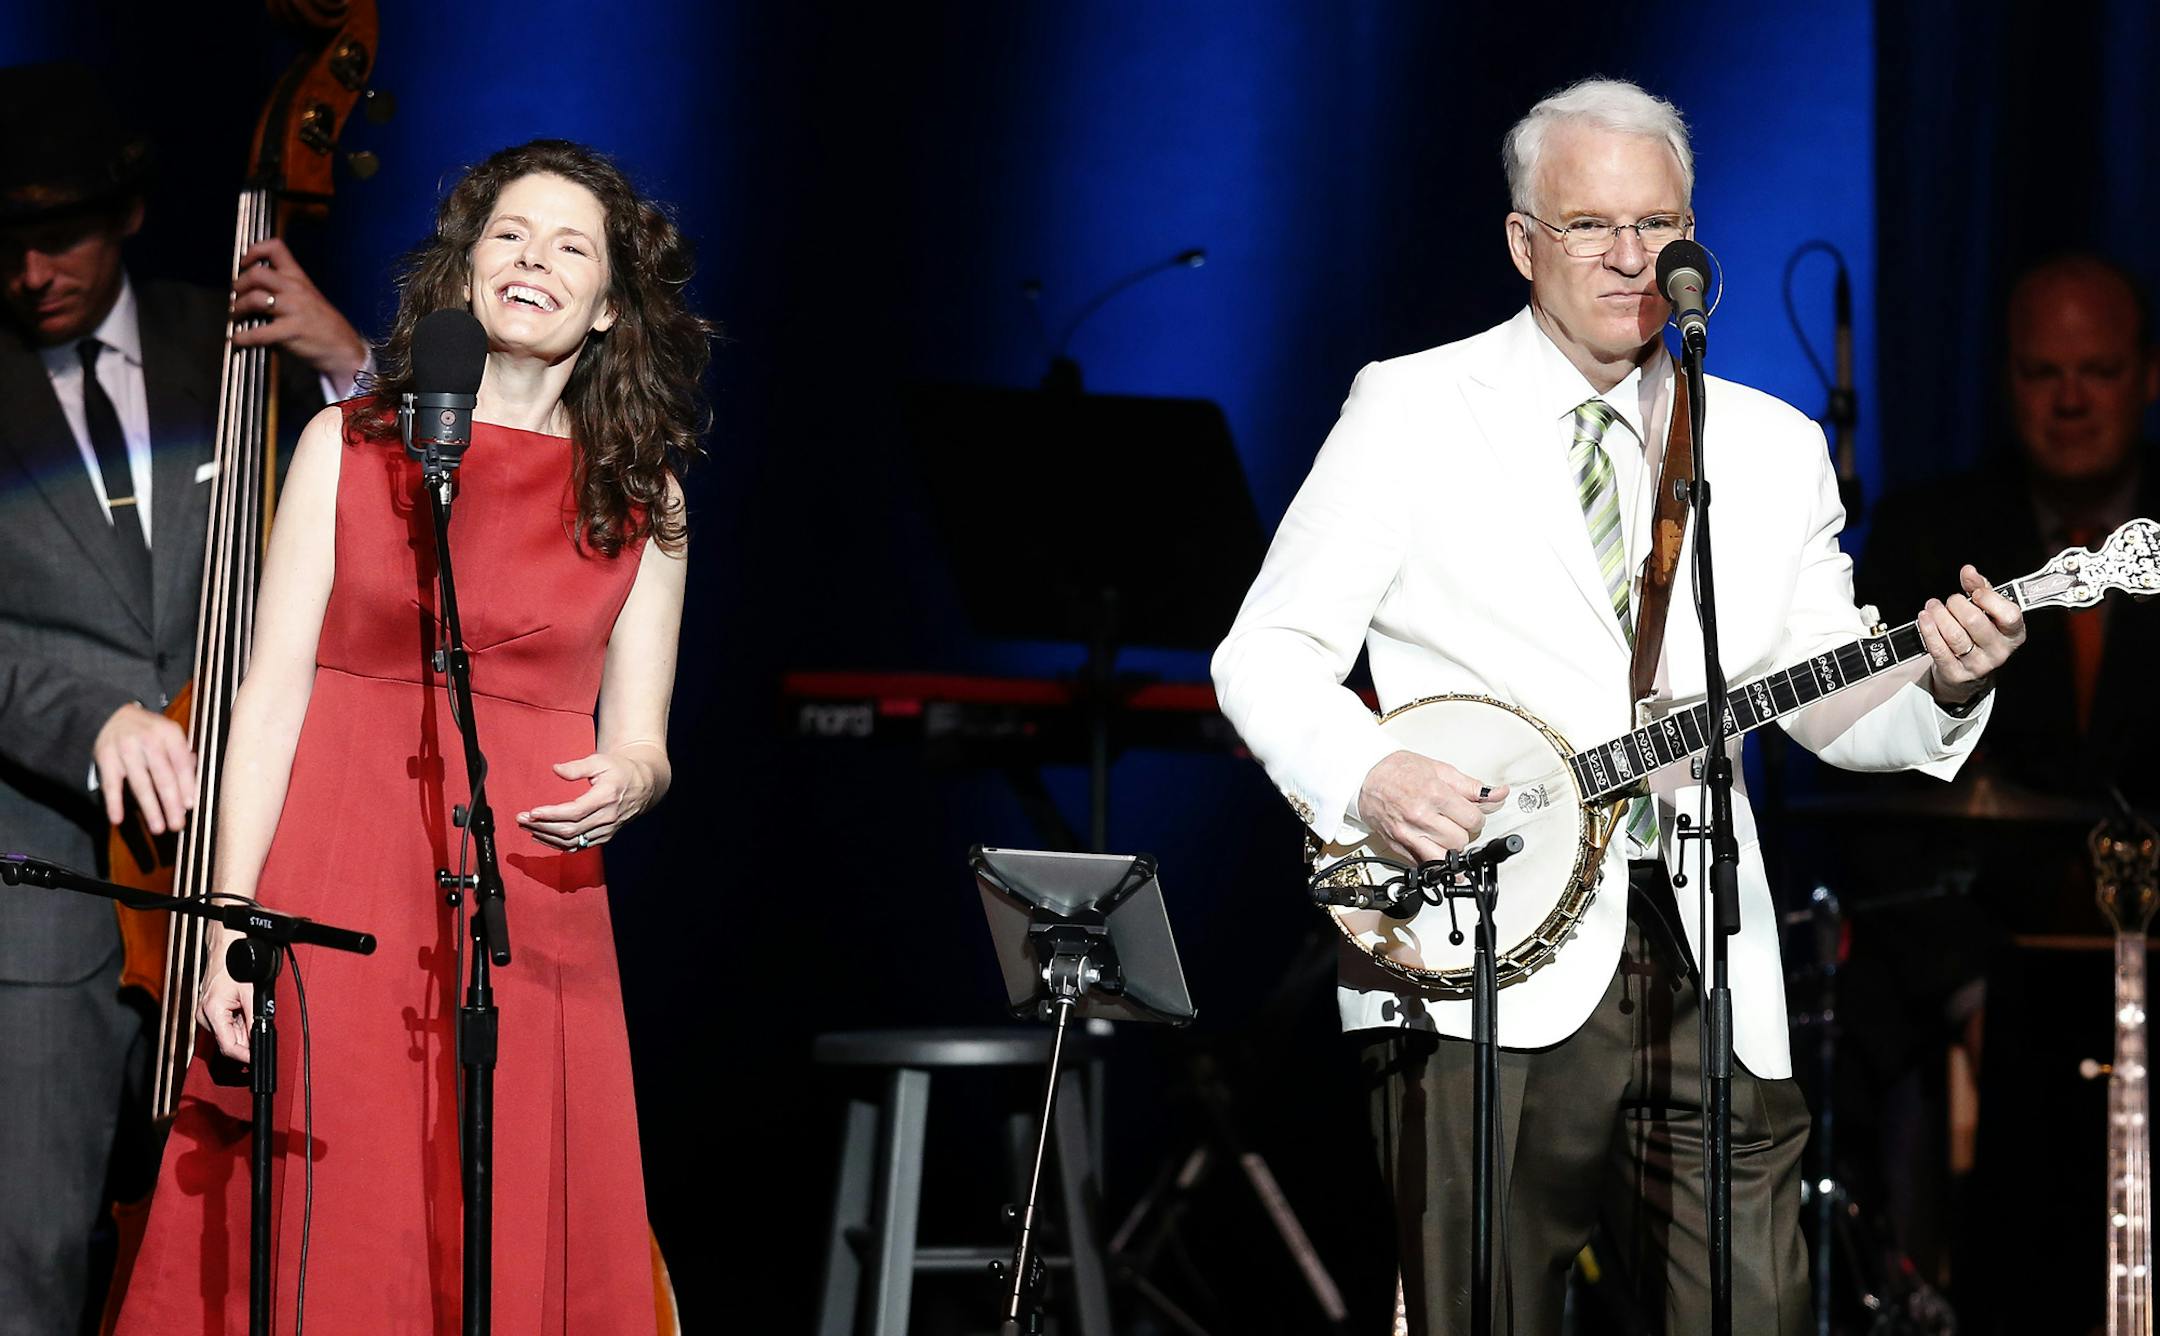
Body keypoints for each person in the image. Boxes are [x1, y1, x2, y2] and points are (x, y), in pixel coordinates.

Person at [1210, 78, 2027, 1334]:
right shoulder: (1415, 410)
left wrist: (1945, 678)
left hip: (1704, 949)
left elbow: (1821, 698)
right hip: (1485, 938)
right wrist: (1371, 775)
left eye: (1656, 224)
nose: (1629, 257)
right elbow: (1264, 653)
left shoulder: (1767, 446)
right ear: (1522, 241)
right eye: (1590, 225)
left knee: (1755, 1305)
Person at [111, 138, 707, 1331]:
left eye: (570, 247)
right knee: (337, 1219)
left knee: (496, 1219)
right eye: (509, 235)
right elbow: (267, 703)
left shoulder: (648, 496)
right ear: (466, 267)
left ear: (606, 310)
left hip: (526, 899)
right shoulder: (350, 446)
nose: (533, 259)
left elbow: (645, 737)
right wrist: (232, 927)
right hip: (338, 875)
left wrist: (629, 780)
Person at [0, 61, 367, 1336]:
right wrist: (89, 720)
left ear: (132, 217)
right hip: (37, 886)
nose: (28, 274)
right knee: (32, 1257)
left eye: (60, 239)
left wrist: (347, 361)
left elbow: (388, 517)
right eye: (6, 244)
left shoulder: (227, 338)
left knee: (243, 1251)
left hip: (238, 869)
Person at [1851, 252, 2160, 1333]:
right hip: (1978, 971)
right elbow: (1871, 800)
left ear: (2149, 376)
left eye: (2100, 370)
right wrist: (1966, 992)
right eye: (2042, 372)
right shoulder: (1929, 535)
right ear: (2005, 382)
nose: (2071, 398)